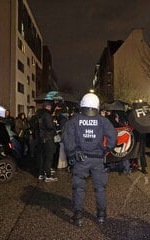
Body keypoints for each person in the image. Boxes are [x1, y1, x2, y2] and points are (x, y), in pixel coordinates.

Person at [62, 93, 117, 227]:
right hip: (98, 159)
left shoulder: (74, 120)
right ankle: (101, 216)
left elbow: (67, 141)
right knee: (100, 189)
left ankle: (78, 217)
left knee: (79, 189)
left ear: (83, 105)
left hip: (80, 160)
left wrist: (73, 154)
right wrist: (105, 150)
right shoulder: (103, 121)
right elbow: (113, 138)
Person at [37, 101, 58, 182]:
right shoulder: (47, 115)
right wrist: (54, 124)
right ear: (48, 106)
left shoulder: (40, 114)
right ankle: (48, 176)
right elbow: (49, 126)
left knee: (42, 156)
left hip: (41, 138)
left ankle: (41, 174)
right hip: (48, 138)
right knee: (48, 157)